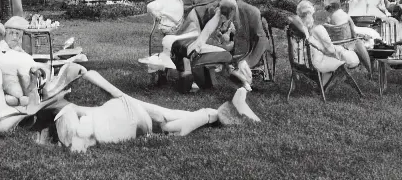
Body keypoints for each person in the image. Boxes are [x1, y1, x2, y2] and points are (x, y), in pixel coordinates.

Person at [32, 64, 260, 153]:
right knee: (165, 118)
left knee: (167, 123)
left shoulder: (62, 115)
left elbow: (77, 141)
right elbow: (108, 91)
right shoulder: (67, 110)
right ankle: (215, 113)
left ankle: (212, 115)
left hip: (127, 123)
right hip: (124, 113)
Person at [182, 0, 269, 91]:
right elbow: (206, 32)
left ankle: (230, 70)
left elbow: (262, 39)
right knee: (194, 54)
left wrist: (248, 62)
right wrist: (197, 47)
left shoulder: (252, 13)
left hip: (230, 44)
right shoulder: (216, 13)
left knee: (225, 56)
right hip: (197, 22)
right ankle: (190, 72)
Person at [322, 1, 374, 73]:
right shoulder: (345, 16)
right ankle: (369, 70)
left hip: (335, 44)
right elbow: (354, 33)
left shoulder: (327, 20)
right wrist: (363, 36)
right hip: (347, 43)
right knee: (359, 43)